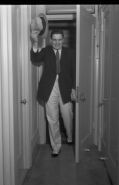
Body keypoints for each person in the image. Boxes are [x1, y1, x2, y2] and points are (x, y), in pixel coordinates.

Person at [30, 29, 76, 157]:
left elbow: (74, 71)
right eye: (54, 40)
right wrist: (35, 42)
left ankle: (70, 135)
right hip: (50, 88)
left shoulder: (70, 53)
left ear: (63, 39)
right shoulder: (46, 51)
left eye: (59, 40)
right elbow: (35, 58)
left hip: (66, 87)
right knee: (52, 118)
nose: (57, 42)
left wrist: (73, 87)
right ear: (51, 40)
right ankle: (56, 146)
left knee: (68, 115)